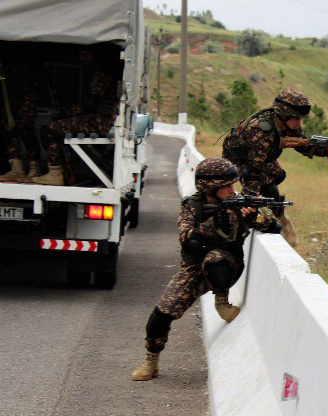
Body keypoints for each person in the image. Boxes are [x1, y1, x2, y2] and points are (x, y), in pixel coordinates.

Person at [131, 158, 282, 381]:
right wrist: (214, 223)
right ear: (210, 188)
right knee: (160, 315)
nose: (233, 191)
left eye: (234, 185)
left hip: (226, 263)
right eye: (227, 186)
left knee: (215, 259)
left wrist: (255, 216)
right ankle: (151, 360)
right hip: (193, 267)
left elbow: (274, 226)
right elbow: (188, 241)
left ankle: (222, 301)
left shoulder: (238, 203)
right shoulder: (192, 206)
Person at [221, 87, 328, 245]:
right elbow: (254, 170)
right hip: (238, 159)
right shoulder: (260, 132)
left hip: (263, 156)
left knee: (279, 175)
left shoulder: (288, 125)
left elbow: (303, 146)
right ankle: (276, 217)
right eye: (295, 118)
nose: (299, 122)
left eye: (300, 118)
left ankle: (276, 211)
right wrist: (249, 203)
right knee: (264, 185)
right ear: (283, 116)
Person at [33, 49, 118, 186]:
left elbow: (90, 100)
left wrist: (67, 112)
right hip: (102, 120)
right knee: (59, 126)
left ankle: (55, 173)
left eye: (86, 54)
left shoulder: (101, 72)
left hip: (101, 121)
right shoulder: (100, 70)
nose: (82, 58)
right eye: (80, 55)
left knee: (47, 129)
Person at [0, 60, 42, 182]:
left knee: (25, 128)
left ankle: (35, 167)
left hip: (26, 90)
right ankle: (16, 168)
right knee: (9, 127)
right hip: (10, 90)